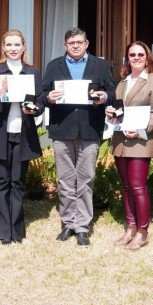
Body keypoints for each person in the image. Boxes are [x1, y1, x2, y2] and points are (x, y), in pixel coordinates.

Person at [43, 27, 115, 246]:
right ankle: (68, 224)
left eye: (79, 42)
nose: (75, 46)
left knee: (85, 179)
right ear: (65, 45)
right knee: (65, 180)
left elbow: (112, 92)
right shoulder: (54, 65)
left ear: (87, 44)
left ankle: (82, 226)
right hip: (62, 130)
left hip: (89, 130)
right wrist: (50, 98)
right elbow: (42, 95)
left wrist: (104, 97)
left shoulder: (99, 65)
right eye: (71, 42)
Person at [0, 30, 45, 244]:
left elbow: (40, 101)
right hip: (0, 131)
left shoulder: (33, 72)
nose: (13, 48)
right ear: (3, 47)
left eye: (17, 44)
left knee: (17, 181)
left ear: (24, 47)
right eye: (9, 45)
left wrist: (35, 109)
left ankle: (17, 231)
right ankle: (2, 232)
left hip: (23, 132)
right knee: (1, 181)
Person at [105, 41, 153, 251]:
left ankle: (142, 230)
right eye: (132, 55)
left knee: (138, 186)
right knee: (127, 187)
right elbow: (119, 112)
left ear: (147, 58)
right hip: (121, 140)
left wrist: (141, 130)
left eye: (141, 54)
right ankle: (130, 227)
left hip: (141, 140)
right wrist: (112, 116)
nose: (136, 58)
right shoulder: (122, 83)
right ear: (127, 58)